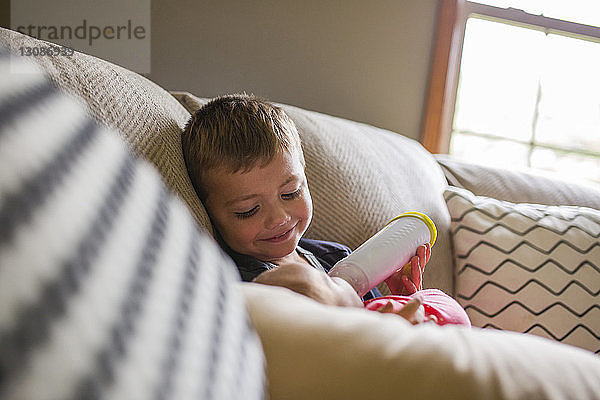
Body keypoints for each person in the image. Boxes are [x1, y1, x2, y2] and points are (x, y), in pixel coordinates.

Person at [181, 94, 470, 326]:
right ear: (208, 209)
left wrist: (400, 299)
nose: (279, 218)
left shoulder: (337, 257)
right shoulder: (237, 280)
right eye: (248, 210)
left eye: (290, 192)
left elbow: (375, 312)